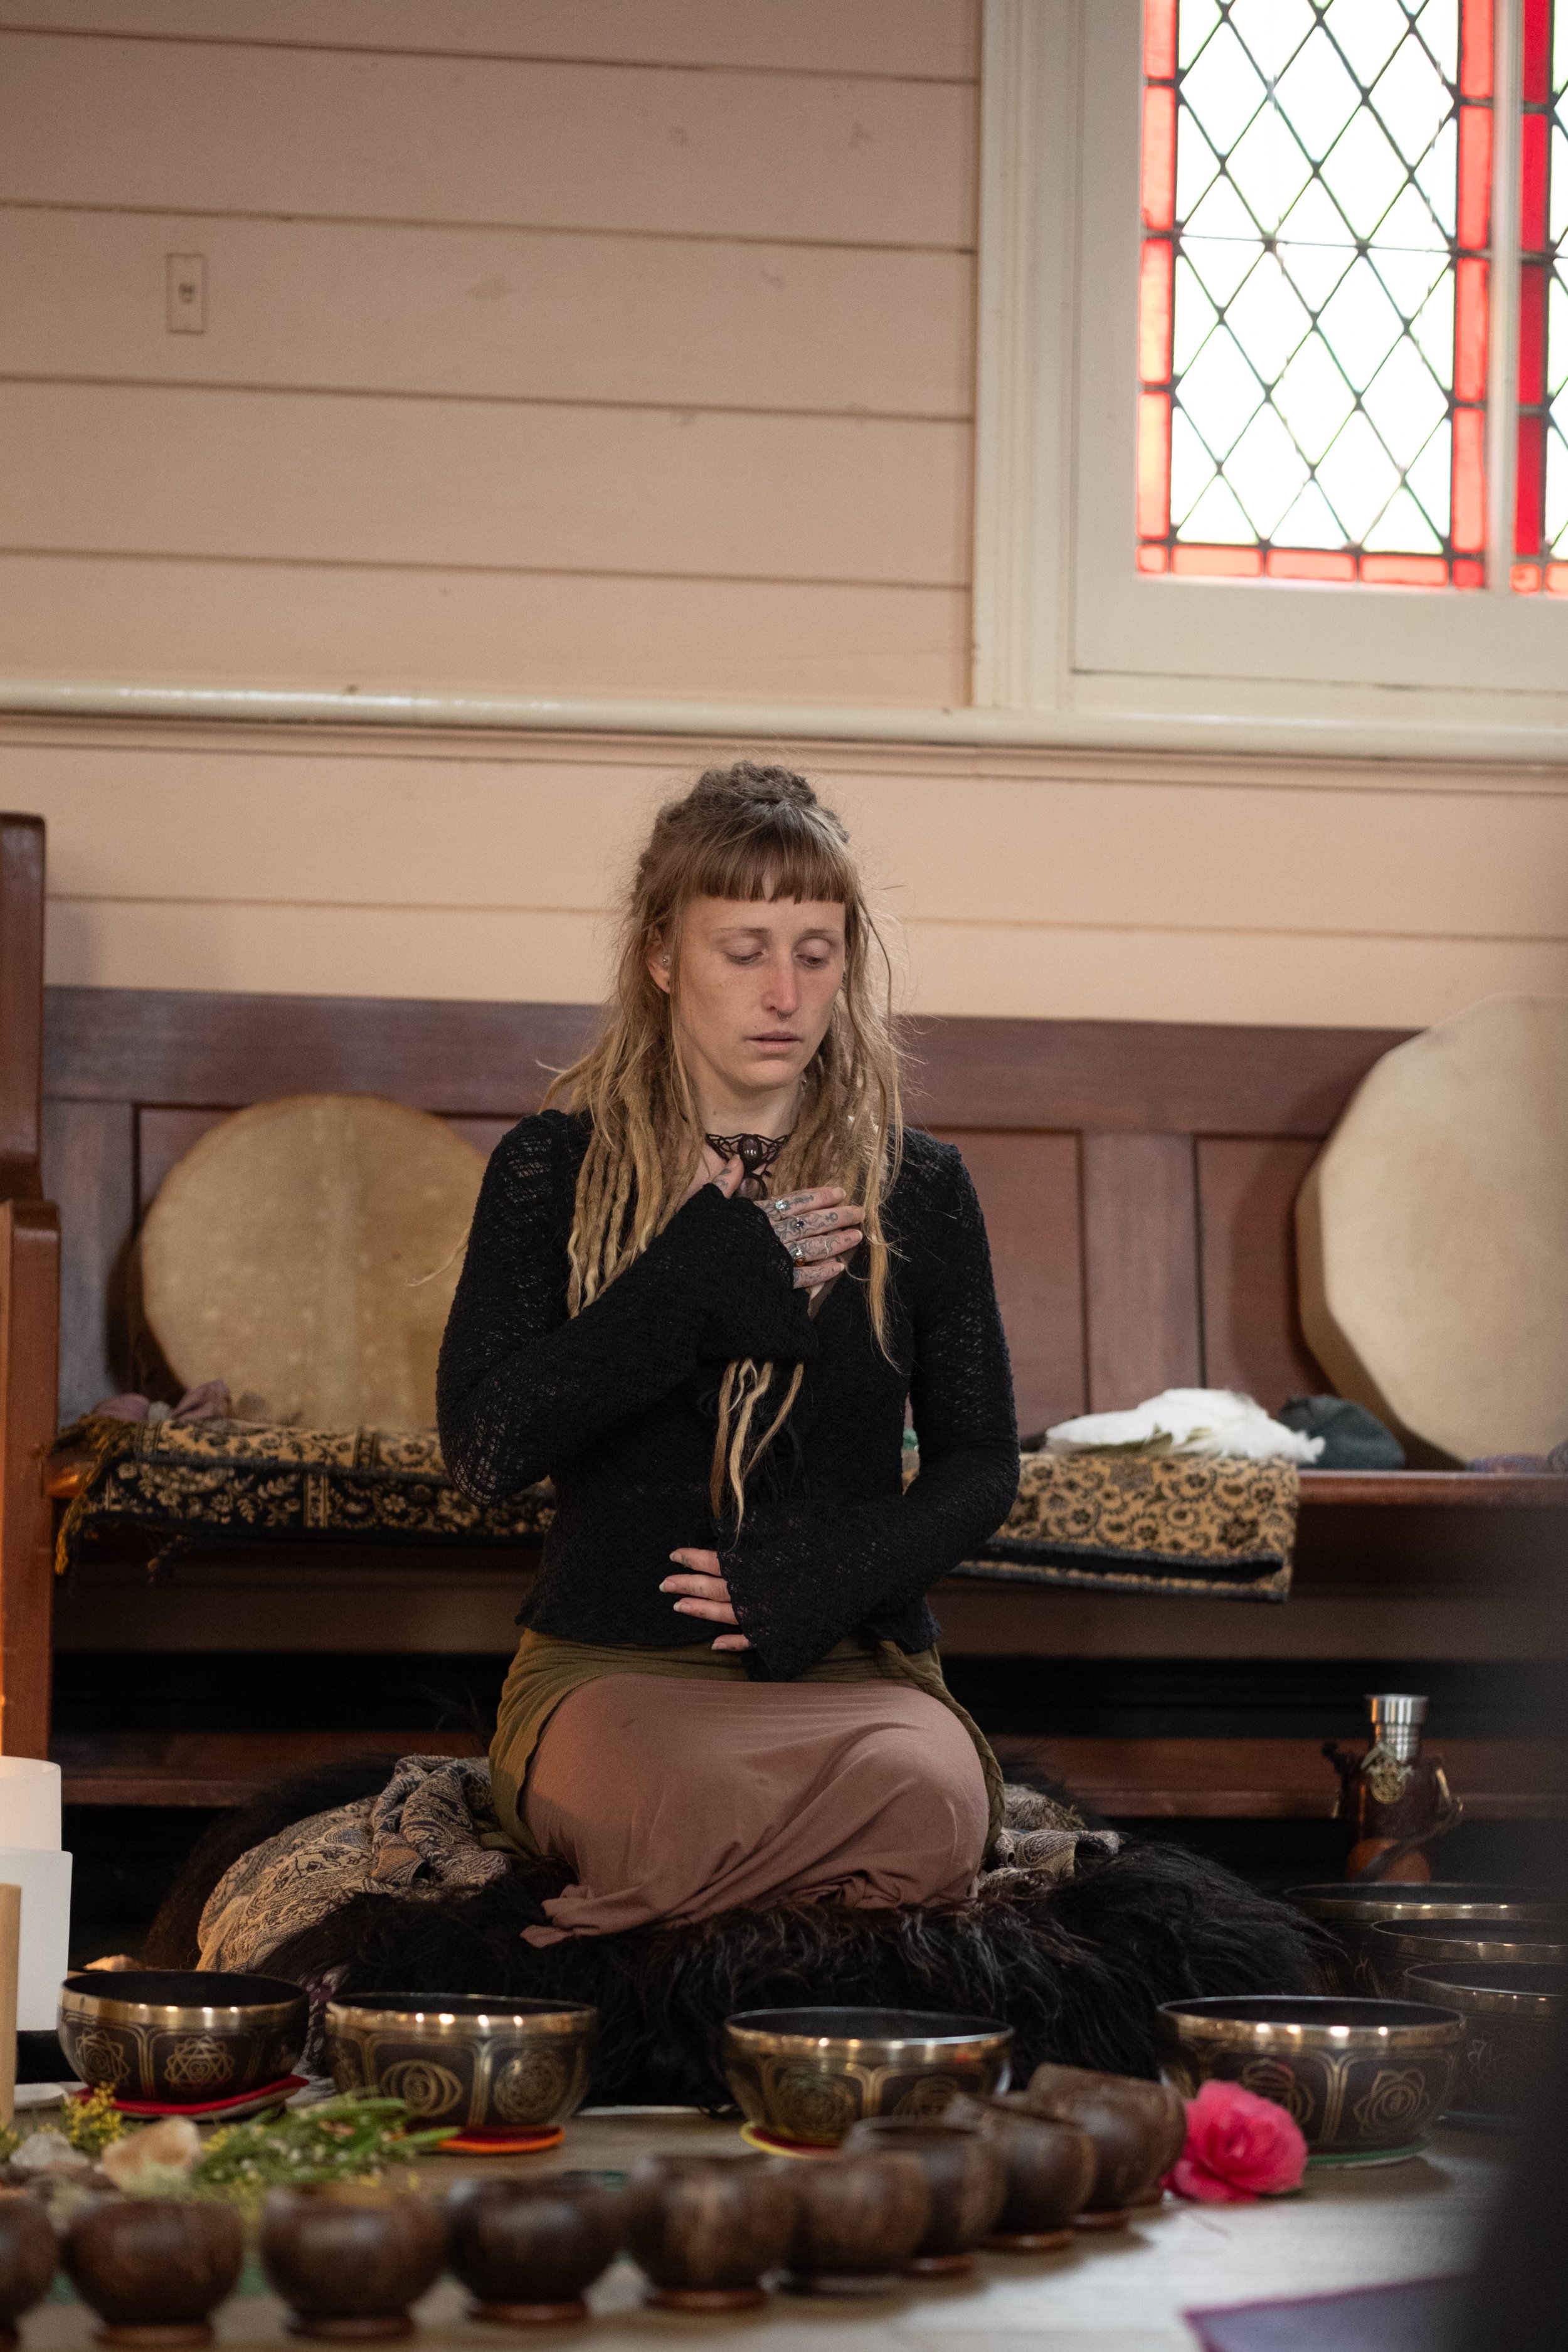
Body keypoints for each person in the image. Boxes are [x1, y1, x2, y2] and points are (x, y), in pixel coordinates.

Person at [437, 762, 1020, 1944]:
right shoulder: (553, 1166)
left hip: (855, 1674)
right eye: (743, 947)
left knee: (932, 1802)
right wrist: (691, 1274)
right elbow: (486, 1447)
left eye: (816, 949)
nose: (784, 991)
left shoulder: (921, 1187)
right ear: (663, 955)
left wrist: (836, 1569)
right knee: (686, 1808)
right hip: (615, 1670)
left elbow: (982, 1464)